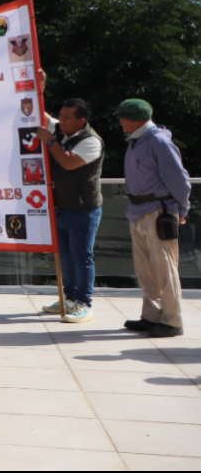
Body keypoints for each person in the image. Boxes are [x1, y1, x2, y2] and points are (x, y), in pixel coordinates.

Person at [33, 72, 104, 324]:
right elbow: (42, 116)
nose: (60, 121)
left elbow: (67, 162)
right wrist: (39, 88)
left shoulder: (91, 141)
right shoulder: (62, 131)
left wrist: (51, 141)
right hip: (60, 207)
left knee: (82, 256)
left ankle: (84, 303)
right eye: (60, 116)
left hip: (83, 209)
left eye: (66, 118)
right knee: (65, 256)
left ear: (80, 121)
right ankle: (70, 298)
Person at [118, 99, 192, 338]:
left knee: (164, 267)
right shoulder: (136, 141)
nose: (120, 121)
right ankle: (151, 315)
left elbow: (179, 180)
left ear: (135, 119)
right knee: (145, 268)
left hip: (159, 211)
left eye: (123, 117)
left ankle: (173, 321)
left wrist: (182, 209)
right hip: (139, 211)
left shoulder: (159, 141)